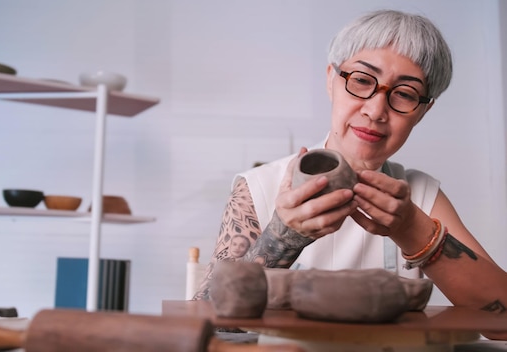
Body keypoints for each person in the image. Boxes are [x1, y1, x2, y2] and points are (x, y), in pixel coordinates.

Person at [192, 9, 507, 340]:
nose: (375, 110)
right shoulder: (259, 187)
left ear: (422, 111)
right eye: (360, 80)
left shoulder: (421, 195)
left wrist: (410, 227)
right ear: (331, 79)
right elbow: (205, 323)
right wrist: (283, 236)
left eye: (404, 93)